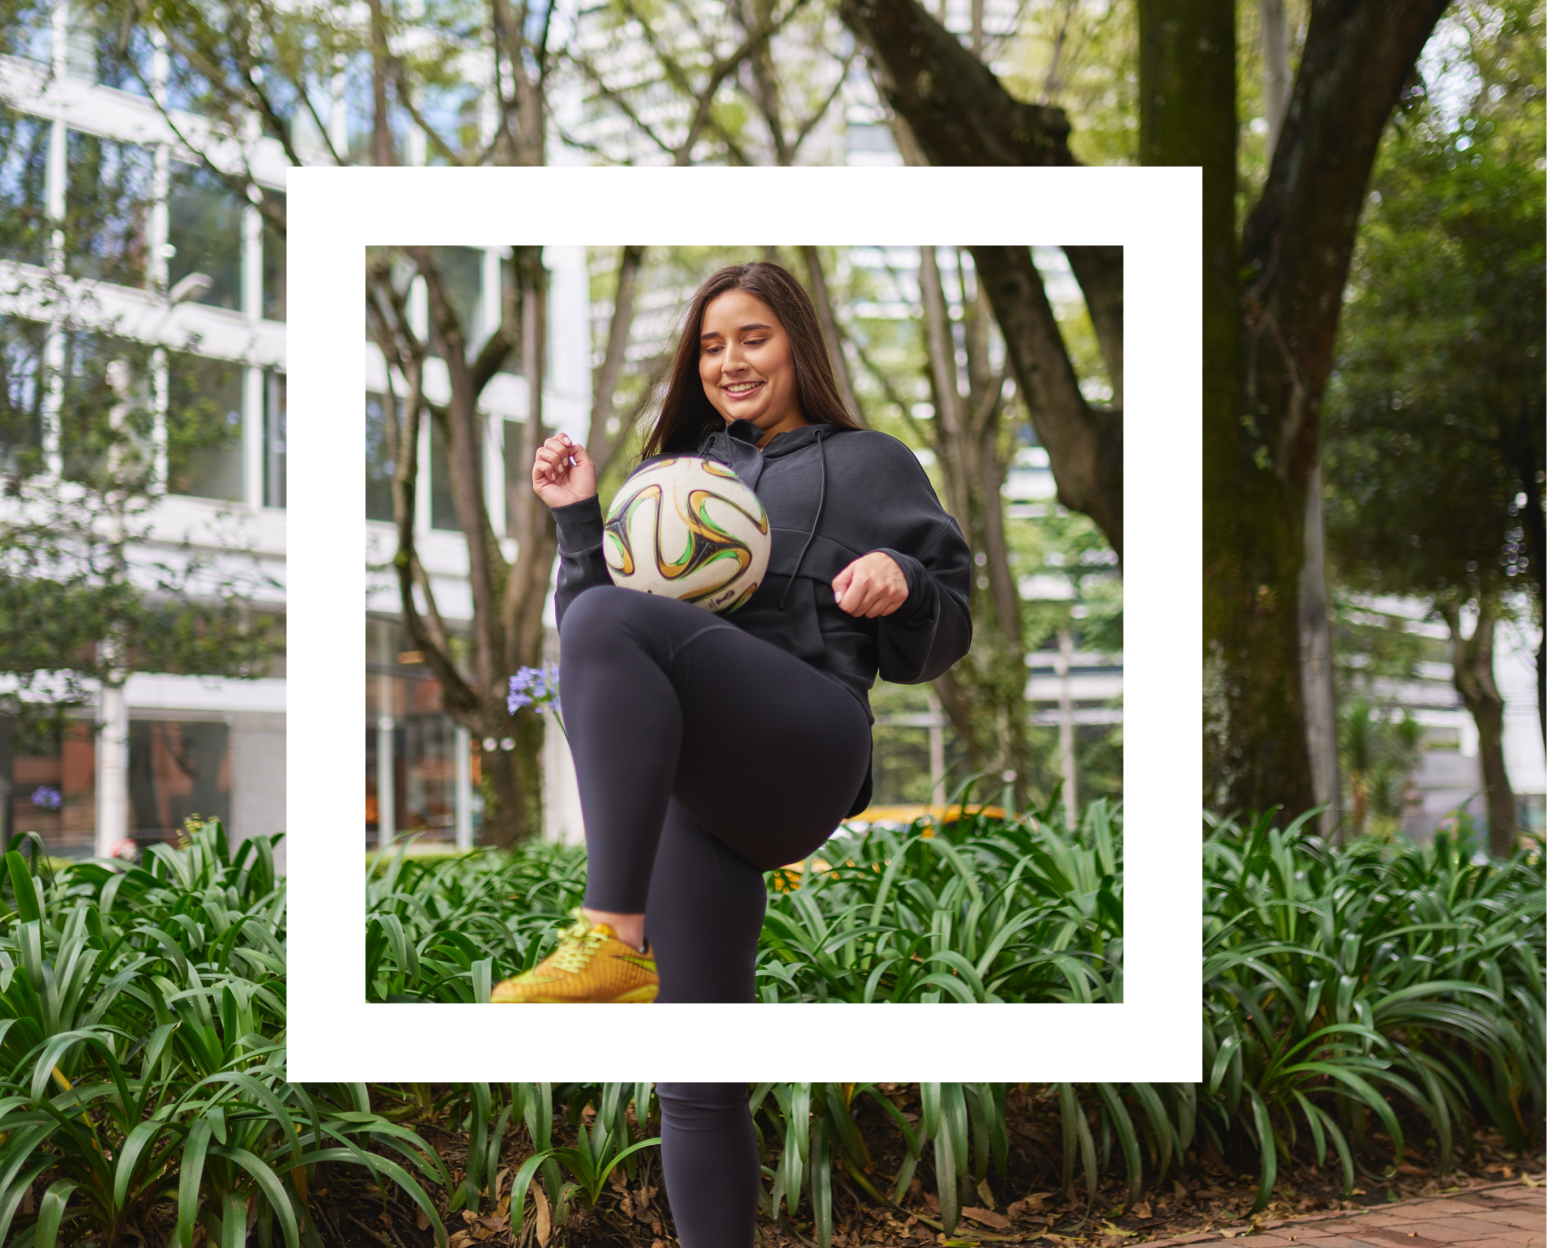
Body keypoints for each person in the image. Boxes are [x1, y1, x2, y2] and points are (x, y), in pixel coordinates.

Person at [492, 260, 973, 1244]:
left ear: (796, 342)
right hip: (700, 792)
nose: (728, 361)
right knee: (696, 1077)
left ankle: (608, 937)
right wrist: (581, 517)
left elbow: (952, 623)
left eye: (751, 336)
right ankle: (617, 949)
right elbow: (594, 633)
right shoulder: (672, 479)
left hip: (806, 740)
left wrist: (904, 581)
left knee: (610, 627)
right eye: (710, 346)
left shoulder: (871, 463)